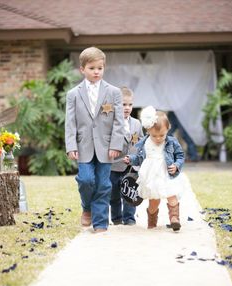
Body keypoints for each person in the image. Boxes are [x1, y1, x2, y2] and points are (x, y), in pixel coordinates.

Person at [65, 47, 124, 233]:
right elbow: (70, 122)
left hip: (107, 147)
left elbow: (118, 121)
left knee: (104, 184)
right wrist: (71, 145)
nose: (96, 71)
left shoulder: (114, 92)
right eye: (92, 68)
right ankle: (86, 207)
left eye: (100, 68)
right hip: (83, 146)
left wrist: (116, 144)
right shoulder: (73, 94)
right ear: (82, 69)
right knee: (85, 180)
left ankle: (100, 223)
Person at [124, 106, 185, 231]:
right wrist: (130, 159)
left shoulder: (171, 142)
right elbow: (139, 159)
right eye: (154, 136)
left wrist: (176, 165)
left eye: (161, 135)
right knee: (154, 202)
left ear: (168, 129)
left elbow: (180, 155)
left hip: (167, 174)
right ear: (148, 131)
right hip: (152, 177)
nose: (158, 139)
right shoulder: (145, 143)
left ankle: (174, 218)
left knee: (172, 195)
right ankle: (152, 222)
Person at [110, 87, 144, 226]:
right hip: (114, 165)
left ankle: (129, 218)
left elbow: (141, 142)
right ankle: (116, 218)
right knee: (114, 194)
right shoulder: (111, 123)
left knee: (130, 192)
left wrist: (137, 157)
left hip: (131, 166)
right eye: (124, 104)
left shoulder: (136, 123)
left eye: (130, 104)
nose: (127, 108)